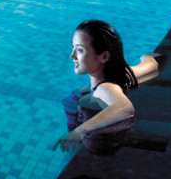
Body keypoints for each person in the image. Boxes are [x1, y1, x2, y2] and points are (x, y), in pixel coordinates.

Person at [56, 19, 164, 152]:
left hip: (118, 78)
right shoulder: (111, 79)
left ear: (104, 56)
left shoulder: (104, 88)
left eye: (79, 50)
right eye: (73, 48)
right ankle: (148, 58)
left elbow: (125, 108)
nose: (72, 56)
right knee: (146, 65)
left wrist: (79, 131)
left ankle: (149, 58)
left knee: (147, 65)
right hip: (121, 75)